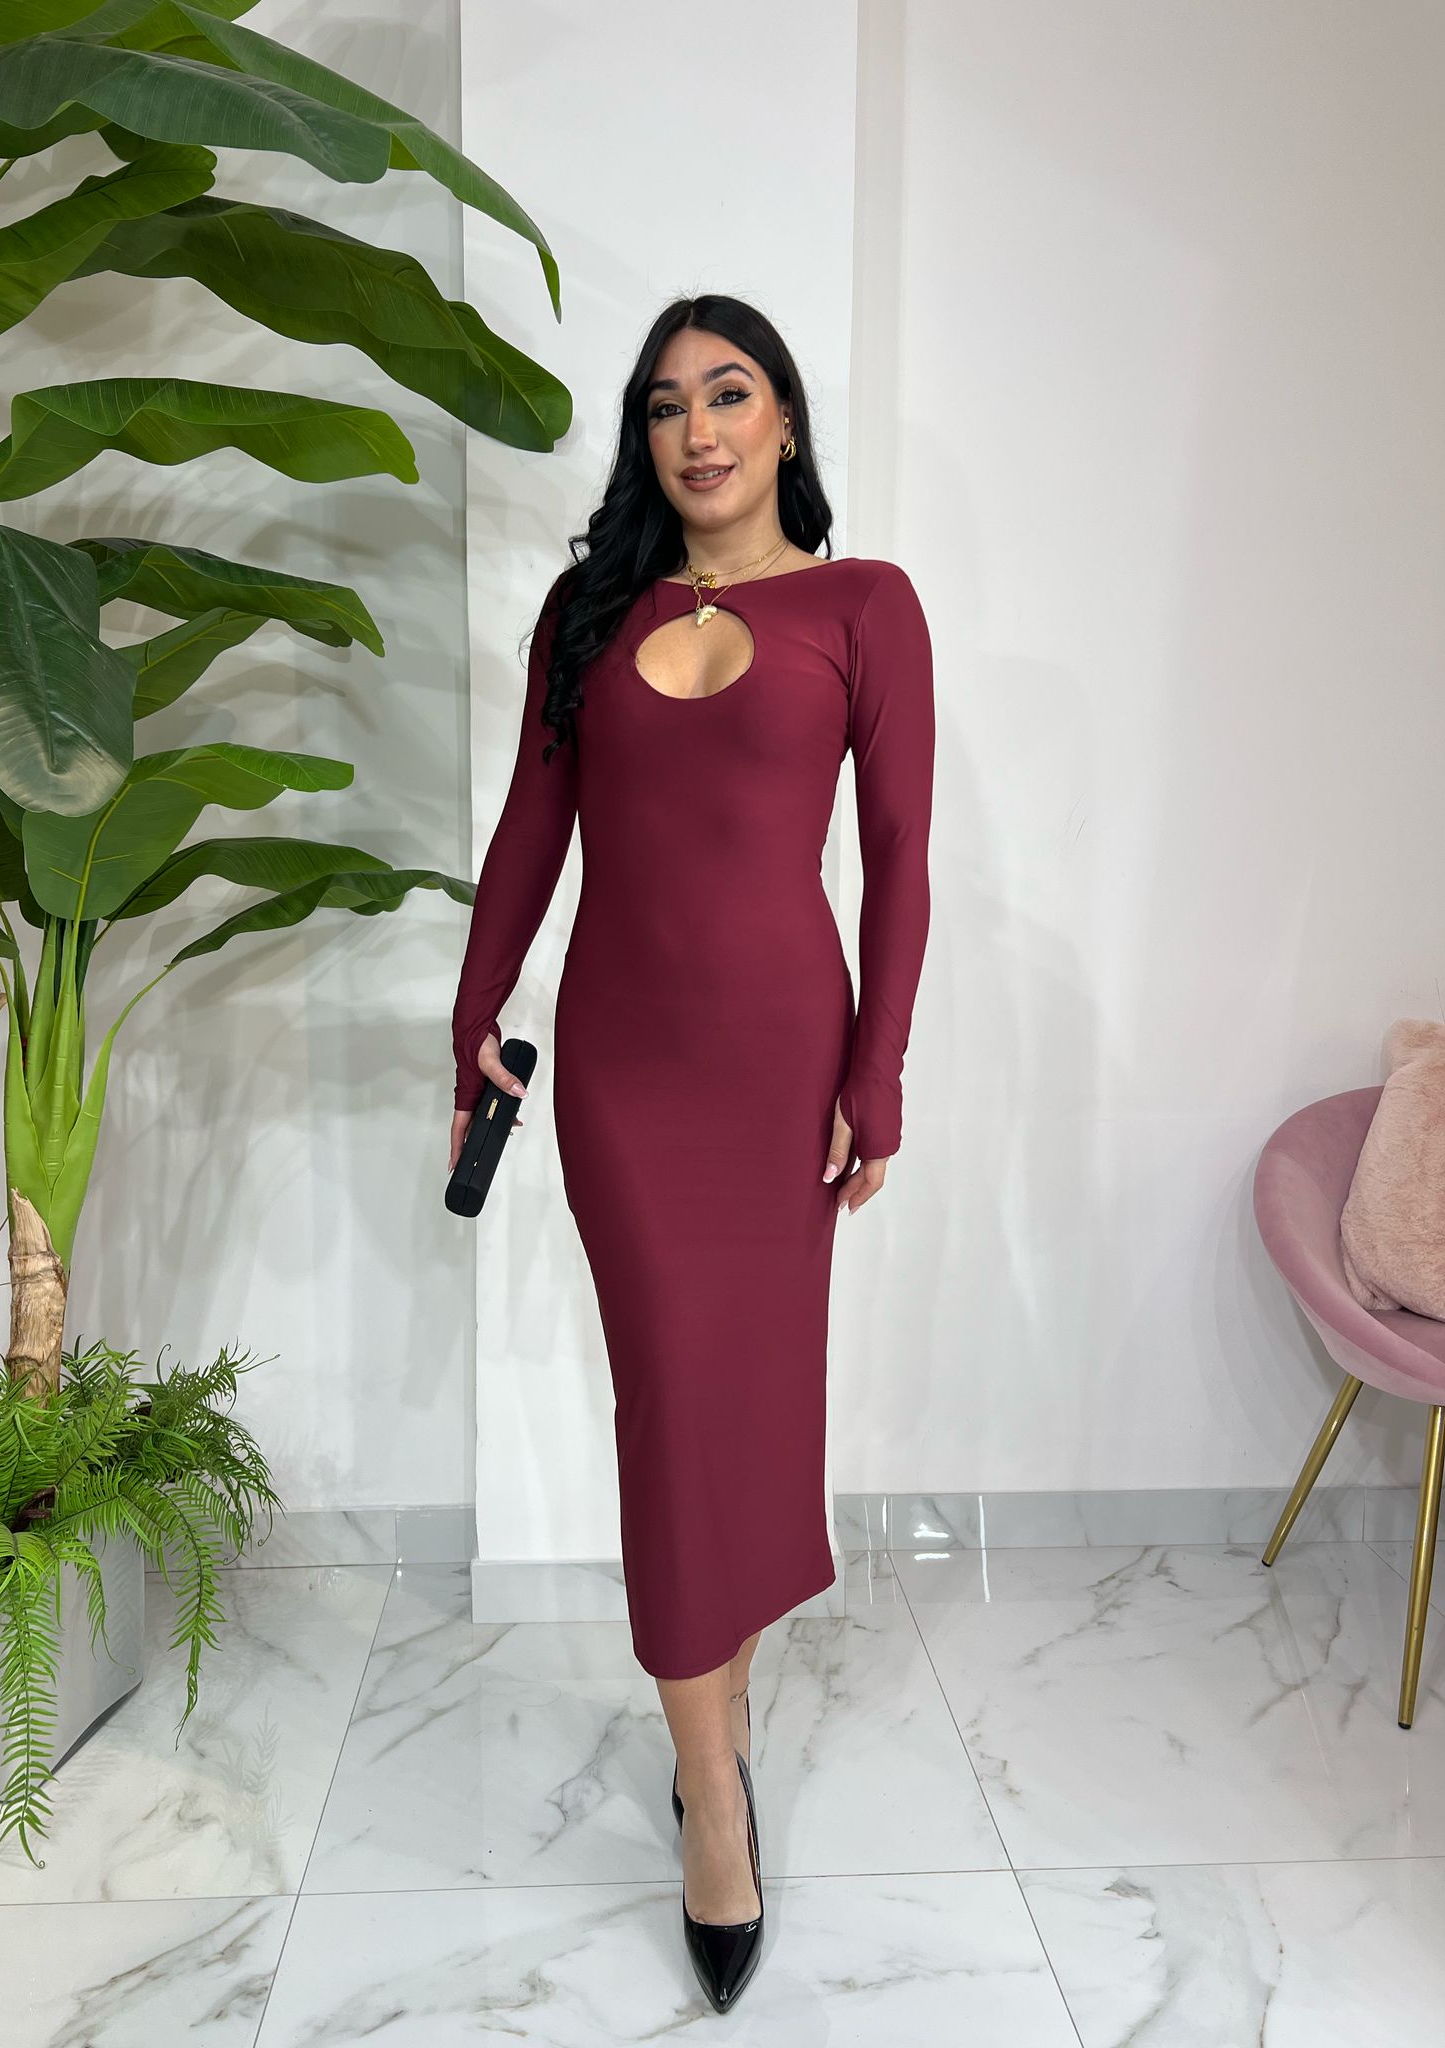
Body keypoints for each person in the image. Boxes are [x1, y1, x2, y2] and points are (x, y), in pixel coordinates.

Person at [448, 292, 935, 2012]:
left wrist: (877, 1071)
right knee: (667, 1406)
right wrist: (474, 1011)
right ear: (645, 440)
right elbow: (532, 828)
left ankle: (710, 1727)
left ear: (785, 419)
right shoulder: (589, 611)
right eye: (666, 406)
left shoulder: (865, 607)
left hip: (782, 1065)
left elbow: (900, 857)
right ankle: (712, 1797)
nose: (699, 430)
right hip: (625, 1075)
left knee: (740, 1409)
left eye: (730, 395)